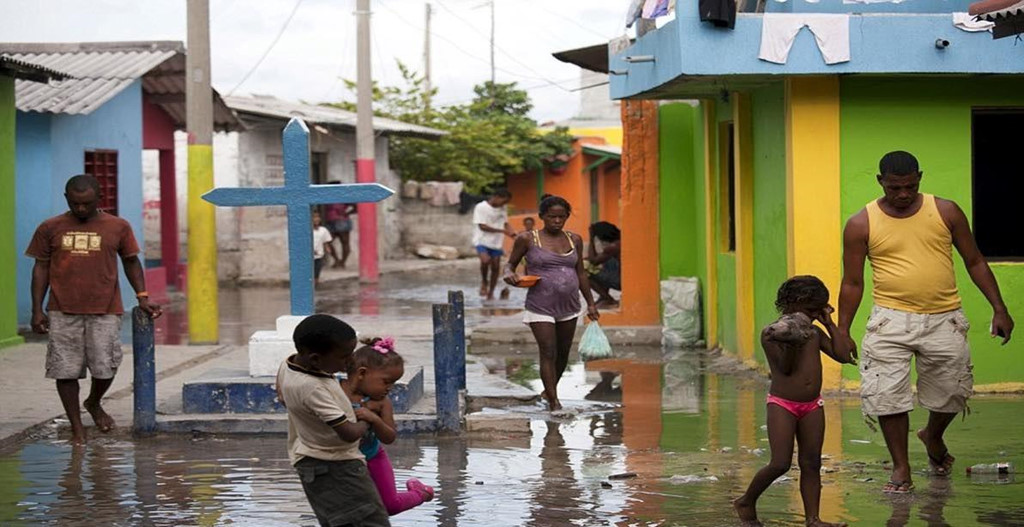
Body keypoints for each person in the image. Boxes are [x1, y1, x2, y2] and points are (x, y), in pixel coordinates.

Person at [834, 151, 1014, 493]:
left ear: (920, 177)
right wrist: (842, 330)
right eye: (894, 188)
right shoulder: (861, 223)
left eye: (910, 186)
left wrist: (999, 308)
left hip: (944, 319)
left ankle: (932, 435)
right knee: (887, 396)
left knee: (952, 392)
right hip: (889, 321)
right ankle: (901, 468)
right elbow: (852, 282)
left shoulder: (946, 211)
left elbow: (974, 260)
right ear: (880, 182)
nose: (903, 194)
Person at [25, 174, 162, 445]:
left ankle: (94, 402)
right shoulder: (50, 227)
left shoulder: (118, 226)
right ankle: (78, 429)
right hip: (62, 310)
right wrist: (36, 309)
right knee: (65, 371)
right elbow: (40, 267)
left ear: (99, 199)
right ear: (67, 199)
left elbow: (131, 261)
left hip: (106, 309)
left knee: (105, 368)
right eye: (75, 204)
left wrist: (142, 297)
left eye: (86, 204)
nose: (81, 209)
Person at [734, 276, 853, 527]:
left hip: (812, 406)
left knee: (811, 463)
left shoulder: (814, 332)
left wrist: (829, 324)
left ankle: (813, 519)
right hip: (782, 405)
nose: (812, 317)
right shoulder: (773, 335)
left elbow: (843, 355)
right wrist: (791, 344)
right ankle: (746, 500)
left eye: (816, 311)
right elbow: (785, 370)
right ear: (793, 304)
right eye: (811, 311)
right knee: (780, 463)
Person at [275, 315, 391, 527]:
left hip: (312, 461)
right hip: (336, 466)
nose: (350, 362)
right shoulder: (312, 387)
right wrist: (367, 416)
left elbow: (281, 394)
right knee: (371, 522)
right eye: (344, 357)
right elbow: (348, 434)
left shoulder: (290, 364)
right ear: (316, 359)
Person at [503, 195, 599, 411]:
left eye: (561, 217)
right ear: (542, 217)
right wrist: (509, 275)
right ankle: (555, 403)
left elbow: (581, 274)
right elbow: (509, 265)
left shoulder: (574, 239)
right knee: (548, 350)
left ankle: (549, 390)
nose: (557, 221)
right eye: (552, 217)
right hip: (540, 305)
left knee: (563, 352)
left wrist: (591, 303)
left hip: (569, 305)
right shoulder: (527, 239)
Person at [340, 337, 434, 515]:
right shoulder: (334, 390)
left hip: (373, 457)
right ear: (361, 373)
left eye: (393, 383)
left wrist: (374, 420)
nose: (390, 388)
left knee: (390, 506)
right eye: (386, 381)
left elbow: (390, 437)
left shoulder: (382, 402)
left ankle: (421, 493)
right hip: (342, 461)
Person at [472, 188, 516, 300]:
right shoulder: (481, 207)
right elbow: (482, 226)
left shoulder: (502, 209)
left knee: (496, 267)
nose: (504, 204)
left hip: (496, 242)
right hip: (481, 240)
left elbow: (506, 223)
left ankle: (491, 292)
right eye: (503, 201)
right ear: (496, 197)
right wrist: (502, 231)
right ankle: (484, 281)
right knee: (485, 260)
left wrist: (514, 235)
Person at [585, 221, 621, 309]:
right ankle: (603, 297)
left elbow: (593, 260)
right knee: (606, 262)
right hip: (625, 278)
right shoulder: (620, 242)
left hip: (621, 282)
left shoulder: (613, 247)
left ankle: (608, 299)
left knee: (583, 274)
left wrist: (591, 238)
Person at [324, 189, 357, 269]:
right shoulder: (327, 197)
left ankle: (342, 262)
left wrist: (347, 213)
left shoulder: (344, 197)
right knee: (327, 241)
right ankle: (337, 260)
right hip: (330, 222)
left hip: (342, 221)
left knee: (345, 242)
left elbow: (356, 207)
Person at [312, 211, 337, 287]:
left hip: (319, 256)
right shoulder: (307, 230)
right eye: (314, 217)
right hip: (309, 257)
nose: (316, 219)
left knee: (317, 273)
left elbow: (325, 241)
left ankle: (315, 288)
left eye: (317, 217)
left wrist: (327, 249)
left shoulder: (323, 230)